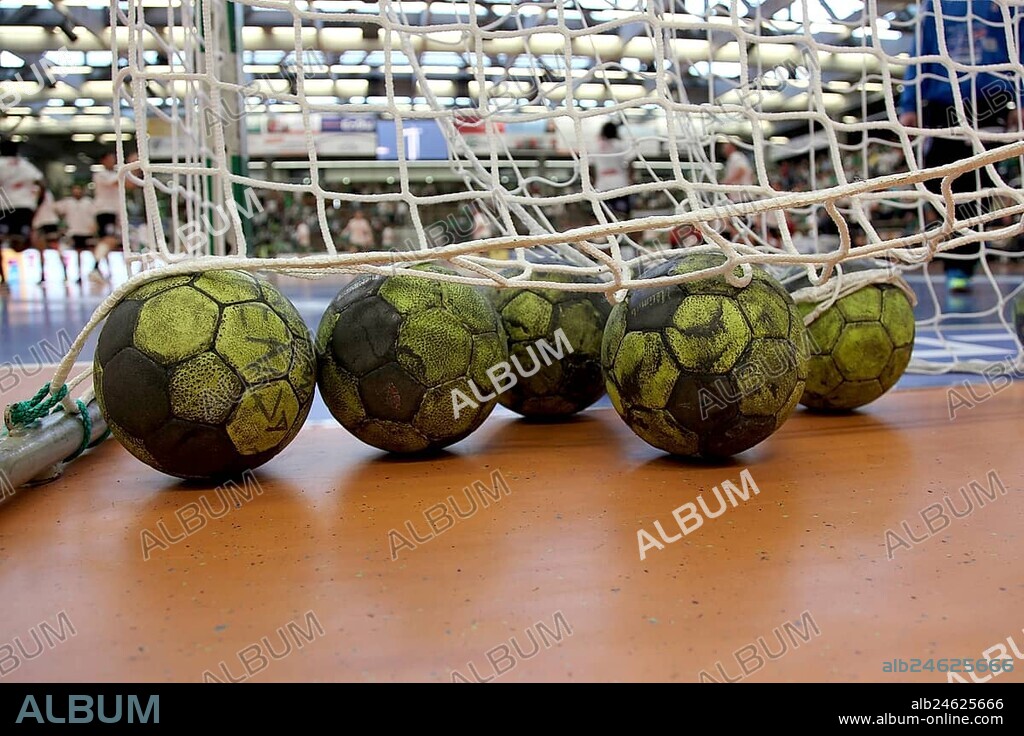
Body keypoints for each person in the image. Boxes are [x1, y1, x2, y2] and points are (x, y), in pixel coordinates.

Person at [899, 0, 1023, 293]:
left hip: (991, 100)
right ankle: (955, 257)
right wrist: (909, 102)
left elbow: (1020, 47)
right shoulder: (935, 5)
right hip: (945, 106)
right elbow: (921, 50)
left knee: (984, 187)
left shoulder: (1007, 4)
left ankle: (964, 264)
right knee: (943, 187)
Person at [0, 139, 45, 287]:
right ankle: (42, 274)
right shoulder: (26, 165)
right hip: (26, 208)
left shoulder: (1, 163)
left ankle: (4, 279)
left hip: (6, 207)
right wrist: (37, 203)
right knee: (31, 239)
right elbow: (41, 183)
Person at [591, 121, 635, 222]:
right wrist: (631, 178)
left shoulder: (596, 147)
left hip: (602, 186)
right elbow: (631, 161)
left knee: (606, 218)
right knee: (625, 217)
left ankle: (610, 237)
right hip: (620, 184)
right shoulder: (620, 144)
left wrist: (593, 181)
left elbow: (590, 166)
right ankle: (625, 235)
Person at [56, 184, 96, 284]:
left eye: (78, 189)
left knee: (95, 253)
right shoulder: (67, 202)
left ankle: (97, 272)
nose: (77, 192)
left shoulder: (89, 202)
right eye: (75, 190)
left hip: (87, 232)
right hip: (73, 232)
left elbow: (95, 215)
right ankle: (74, 274)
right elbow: (56, 209)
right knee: (73, 253)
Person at [91, 151, 120, 282]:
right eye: (110, 158)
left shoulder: (113, 174)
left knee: (109, 241)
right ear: (103, 161)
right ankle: (95, 268)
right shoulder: (100, 175)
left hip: (113, 213)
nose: (113, 161)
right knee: (107, 240)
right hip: (105, 212)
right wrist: (132, 166)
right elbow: (119, 182)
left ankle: (100, 269)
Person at [32, 188, 67, 283]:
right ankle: (62, 274)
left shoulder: (34, 191)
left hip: (45, 223)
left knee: (52, 249)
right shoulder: (48, 192)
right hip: (46, 222)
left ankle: (63, 273)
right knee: (48, 249)